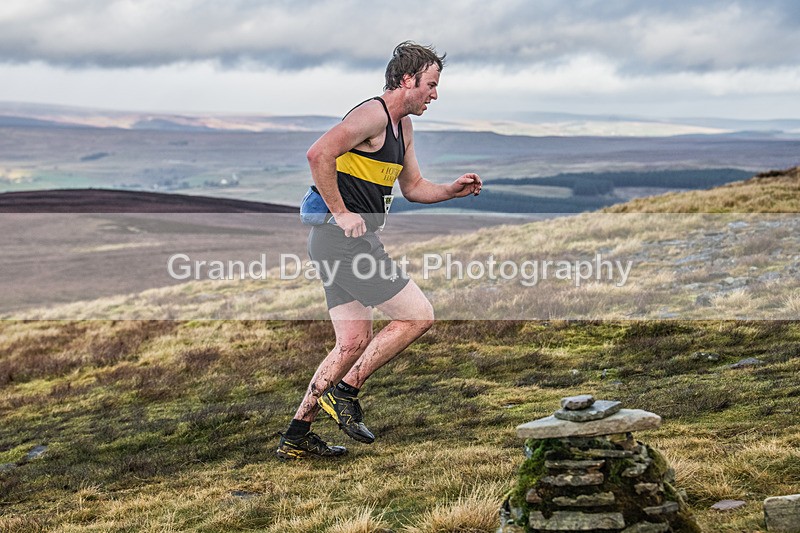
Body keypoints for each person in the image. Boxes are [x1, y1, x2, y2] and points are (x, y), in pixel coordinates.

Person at [276, 41, 482, 459]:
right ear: (407, 80)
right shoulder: (372, 114)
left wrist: (451, 191)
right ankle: (345, 392)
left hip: (342, 242)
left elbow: (414, 187)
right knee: (418, 315)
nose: (435, 94)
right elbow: (319, 153)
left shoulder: (402, 128)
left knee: (351, 341)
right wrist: (341, 211)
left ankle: (297, 435)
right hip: (342, 240)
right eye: (431, 84)